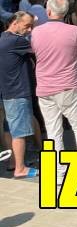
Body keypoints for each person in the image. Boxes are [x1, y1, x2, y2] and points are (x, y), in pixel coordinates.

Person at [31, 0, 77, 173]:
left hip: (45, 87)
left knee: (53, 130)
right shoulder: (74, 31)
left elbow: (35, 53)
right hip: (69, 85)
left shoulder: (36, 32)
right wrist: (69, 58)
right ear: (65, 12)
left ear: (48, 11)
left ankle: (58, 170)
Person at [0, 12, 38, 178]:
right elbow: (40, 46)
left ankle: (14, 163)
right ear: (15, 23)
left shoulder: (3, 38)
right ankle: (20, 168)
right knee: (19, 133)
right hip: (17, 93)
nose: (29, 29)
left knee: (10, 128)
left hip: (8, 92)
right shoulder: (16, 41)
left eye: (31, 26)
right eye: (27, 26)